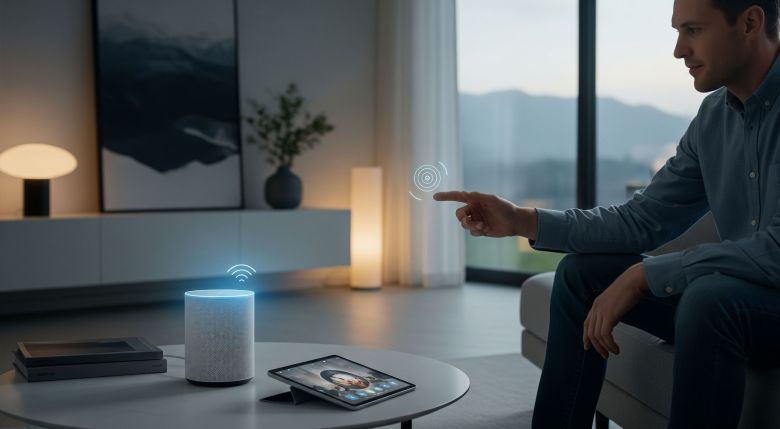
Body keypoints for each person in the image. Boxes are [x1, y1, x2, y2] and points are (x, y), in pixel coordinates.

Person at [434, 0, 780, 427]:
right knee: (583, 275)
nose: (678, 50)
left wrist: (644, 275)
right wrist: (522, 220)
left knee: (710, 300)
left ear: (749, 22)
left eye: (692, 30)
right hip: (736, 299)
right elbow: (643, 219)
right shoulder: (713, 119)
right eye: (678, 31)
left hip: (753, 307)